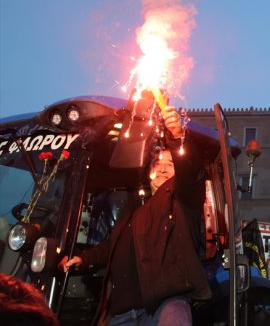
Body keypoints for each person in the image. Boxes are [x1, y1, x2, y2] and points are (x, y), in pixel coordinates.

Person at [60, 106, 211, 326]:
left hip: (165, 305)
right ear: (149, 172)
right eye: (157, 163)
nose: (162, 168)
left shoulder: (182, 199)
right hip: (122, 313)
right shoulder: (135, 207)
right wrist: (83, 259)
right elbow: (114, 245)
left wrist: (178, 137)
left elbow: (191, 171)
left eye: (170, 164)